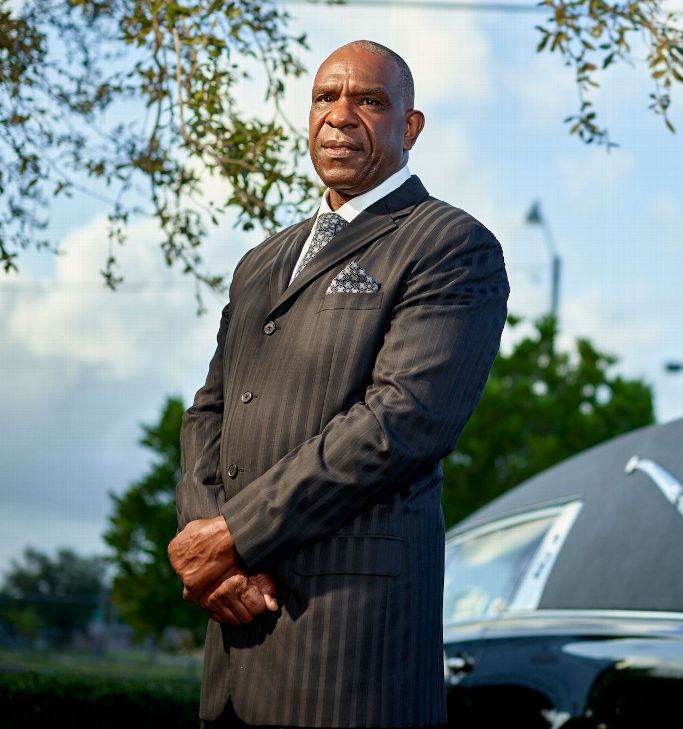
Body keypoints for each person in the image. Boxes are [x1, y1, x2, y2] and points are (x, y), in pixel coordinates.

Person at [167, 39, 508, 728]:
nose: (340, 115)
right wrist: (206, 549)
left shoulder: (450, 245)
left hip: (350, 654)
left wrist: (234, 534)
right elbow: (210, 411)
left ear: (409, 127)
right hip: (235, 635)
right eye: (326, 97)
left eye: (369, 100)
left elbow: (402, 420)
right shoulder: (262, 262)